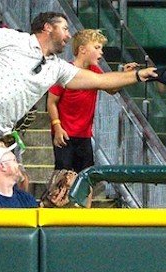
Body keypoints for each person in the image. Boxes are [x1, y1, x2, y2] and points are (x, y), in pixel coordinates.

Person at [0, 12, 158, 180]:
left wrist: (139, 75)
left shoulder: (57, 68)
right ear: (48, 28)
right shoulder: (13, 38)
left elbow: (101, 81)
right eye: (65, 29)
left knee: (17, 180)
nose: (69, 35)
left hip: (1, 129)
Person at [46, 28, 122, 175]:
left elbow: (111, 88)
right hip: (65, 132)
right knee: (63, 175)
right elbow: (51, 102)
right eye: (97, 48)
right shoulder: (65, 70)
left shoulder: (95, 70)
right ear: (82, 49)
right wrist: (57, 126)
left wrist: (125, 75)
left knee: (87, 175)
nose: (101, 52)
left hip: (85, 134)